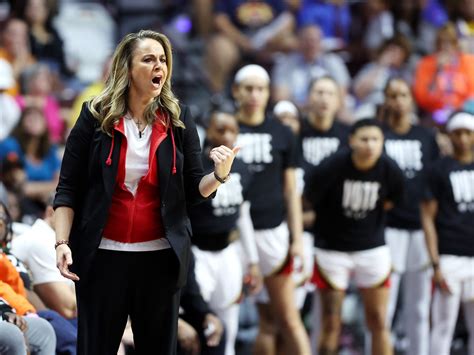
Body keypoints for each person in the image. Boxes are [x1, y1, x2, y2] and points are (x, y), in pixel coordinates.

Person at [53, 30, 239, 355]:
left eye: (163, 59)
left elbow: (196, 191)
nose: (159, 66)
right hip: (102, 257)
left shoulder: (179, 118)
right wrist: (62, 243)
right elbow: (68, 187)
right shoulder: (94, 115)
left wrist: (219, 176)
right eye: (149, 59)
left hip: (160, 260)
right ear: (127, 67)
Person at [304, 119, 405, 355]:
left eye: (375, 139)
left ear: (382, 142)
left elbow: (393, 201)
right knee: (330, 323)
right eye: (364, 139)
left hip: (372, 248)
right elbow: (310, 197)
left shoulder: (389, 169)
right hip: (332, 249)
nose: (369, 145)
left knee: (379, 321)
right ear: (351, 140)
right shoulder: (332, 166)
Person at [232, 64, 311, 355]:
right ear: (235, 91)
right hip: (233, 236)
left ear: (268, 93)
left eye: (260, 88)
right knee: (229, 318)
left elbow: (291, 190)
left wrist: (298, 238)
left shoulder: (282, 133)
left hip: (272, 232)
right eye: (248, 88)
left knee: (286, 317)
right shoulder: (226, 129)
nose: (254, 94)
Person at [187, 109, 262, 355]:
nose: (227, 135)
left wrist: (252, 261)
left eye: (232, 130)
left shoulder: (242, 169)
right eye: (221, 129)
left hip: (228, 253)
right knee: (198, 322)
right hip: (197, 252)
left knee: (229, 325)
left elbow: (243, 217)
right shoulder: (194, 163)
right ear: (208, 130)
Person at [380, 77, 440, 355]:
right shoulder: (378, 135)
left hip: (420, 229)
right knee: (385, 307)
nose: (398, 101)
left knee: (418, 308)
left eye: (403, 95)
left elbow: (437, 182)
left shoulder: (426, 137)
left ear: (411, 100)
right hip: (387, 229)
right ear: (385, 100)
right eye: (393, 95)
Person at [421, 111, 474, 355]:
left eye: (468, 133)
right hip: (450, 255)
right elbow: (427, 219)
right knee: (443, 326)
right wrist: (435, 263)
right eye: (457, 133)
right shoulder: (437, 170)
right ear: (449, 135)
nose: (463, 138)